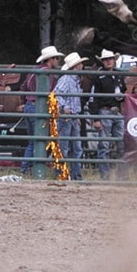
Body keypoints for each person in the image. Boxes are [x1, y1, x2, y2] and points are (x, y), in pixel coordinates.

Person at [19, 46, 64, 175]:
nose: (57, 61)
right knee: (39, 140)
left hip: (29, 105)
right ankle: (27, 168)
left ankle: (27, 168)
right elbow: (49, 92)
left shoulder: (33, 71)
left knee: (33, 140)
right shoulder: (47, 74)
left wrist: (24, 101)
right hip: (38, 107)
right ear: (50, 59)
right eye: (56, 58)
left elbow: (23, 87)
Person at [87, 49, 127, 180]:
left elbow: (124, 91)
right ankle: (105, 175)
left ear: (114, 60)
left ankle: (121, 175)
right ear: (103, 62)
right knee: (104, 144)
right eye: (106, 59)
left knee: (121, 143)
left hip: (117, 111)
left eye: (110, 59)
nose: (108, 61)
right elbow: (93, 98)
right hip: (104, 111)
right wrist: (96, 118)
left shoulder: (119, 75)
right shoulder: (98, 77)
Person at [54, 52, 89, 180]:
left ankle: (75, 175)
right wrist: (64, 108)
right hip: (66, 117)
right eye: (80, 63)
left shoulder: (75, 79)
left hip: (73, 116)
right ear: (76, 66)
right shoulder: (67, 79)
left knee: (75, 147)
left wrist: (76, 114)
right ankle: (62, 174)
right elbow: (56, 95)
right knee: (65, 147)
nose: (82, 65)